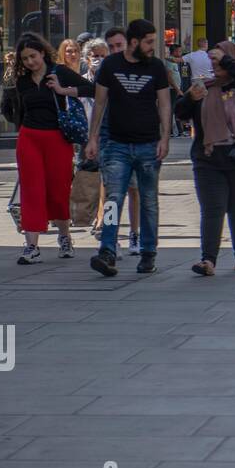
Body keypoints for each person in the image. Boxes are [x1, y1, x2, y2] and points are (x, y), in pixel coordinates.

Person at [86, 19, 173, 277]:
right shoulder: (110, 65)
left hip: (148, 143)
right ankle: (108, 250)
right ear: (133, 42)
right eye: (148, 42)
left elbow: (165, 104)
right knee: (113, 199)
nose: (152, 47)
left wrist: (165, 137)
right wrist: (93, 138)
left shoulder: (156, 67)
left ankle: (148, 253)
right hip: (116, 144)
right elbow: (99, 104)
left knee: (149, 200)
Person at [2, 33, 95, 264]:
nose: (30, 62)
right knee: (31, 191)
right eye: (25, 59)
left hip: (57, 138)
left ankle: (64, 237)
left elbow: (91, 89)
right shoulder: (22, 81)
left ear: (42, 52)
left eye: (33, 56)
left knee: (58, 190)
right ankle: (31, 246)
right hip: (29, 137)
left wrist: (63, 91)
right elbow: (13, 111)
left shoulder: (59, 72)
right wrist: (8, 85)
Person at [174, 41, 235, 276]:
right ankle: (208, 260)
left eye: (219, 60)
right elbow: (180, 112)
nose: (215, 64)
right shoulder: (204, 87)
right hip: (208, 158)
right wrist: (190, 97)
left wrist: (226, 61)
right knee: (212, 209)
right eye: (213, 60)